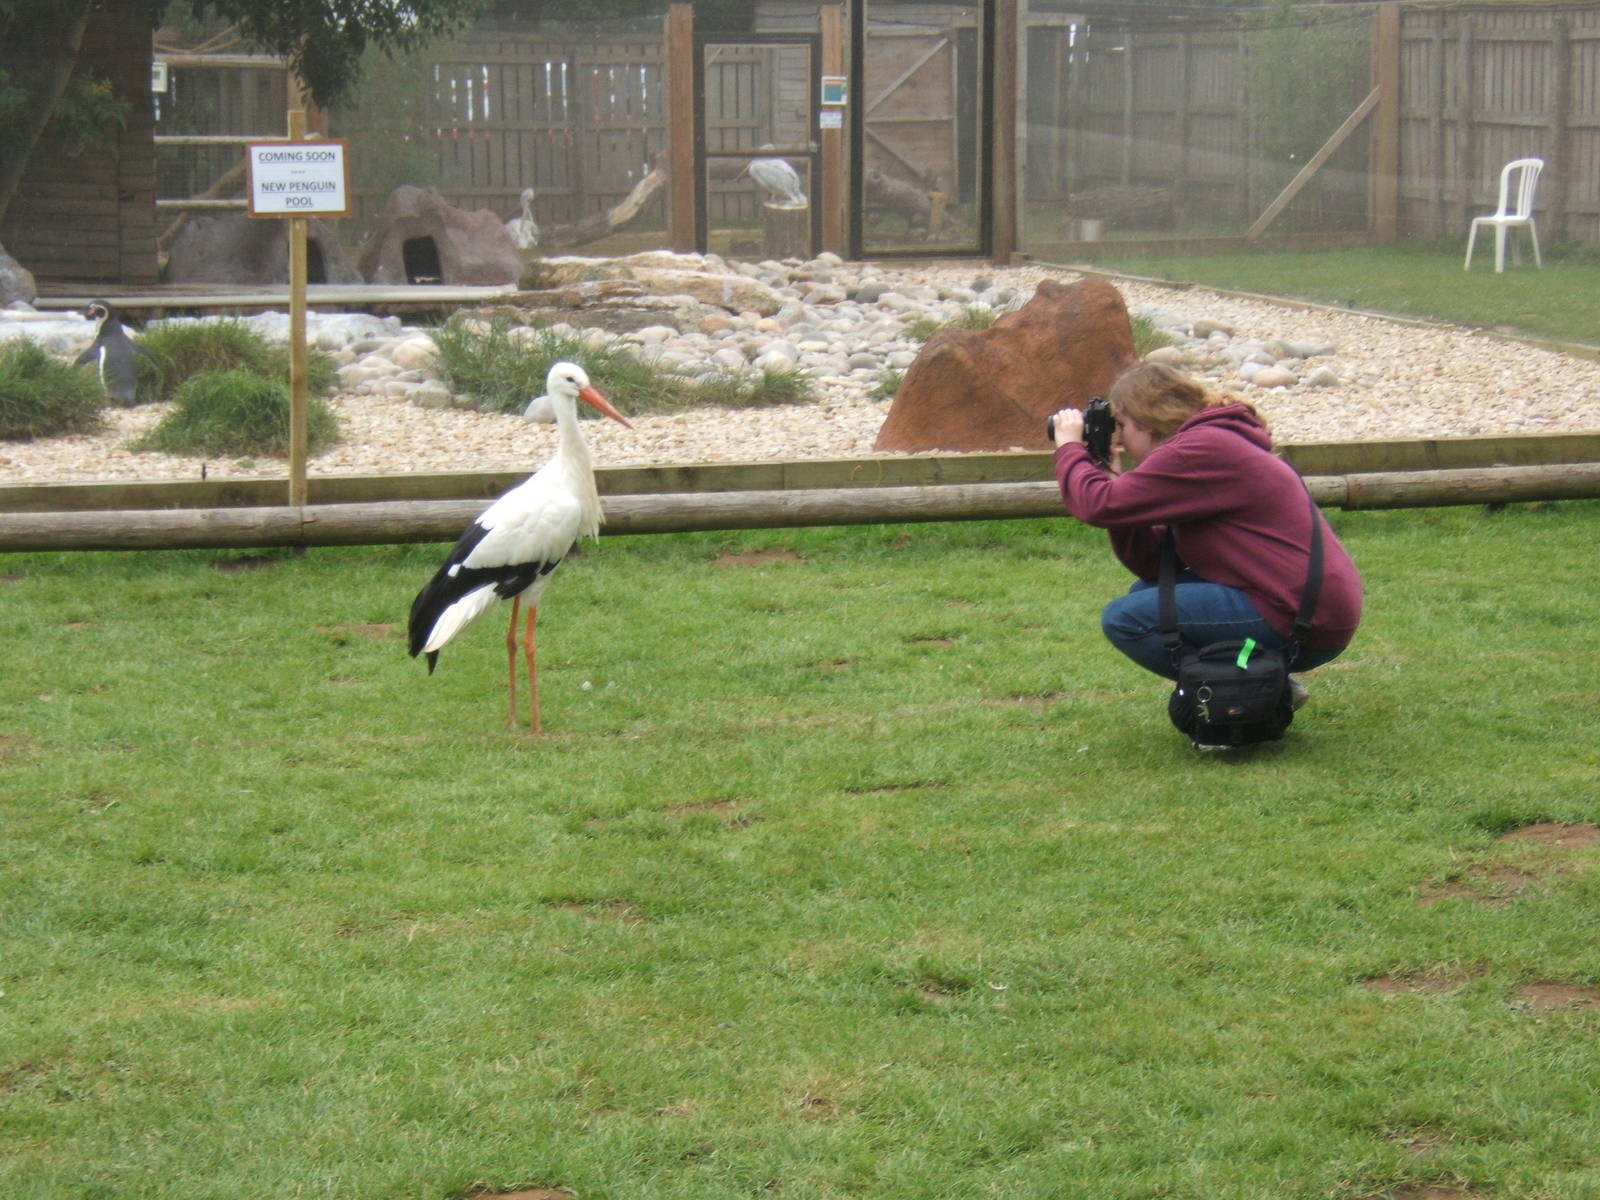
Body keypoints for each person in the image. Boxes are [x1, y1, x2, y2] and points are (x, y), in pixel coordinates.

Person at [1049, 362, 1362, 705]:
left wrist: (1069, 449)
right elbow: (1153, 564)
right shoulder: (1209, 443)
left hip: (1303, 617)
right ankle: (1263, 683)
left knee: (1126, 619)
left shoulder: (1198, 450)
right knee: (1145, 593)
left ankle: (1252, 690)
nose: (1119, 438)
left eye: (1121, 425)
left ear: (1147, 420)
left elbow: (1097, 505)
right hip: (1308, 605)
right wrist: (1114, 483)